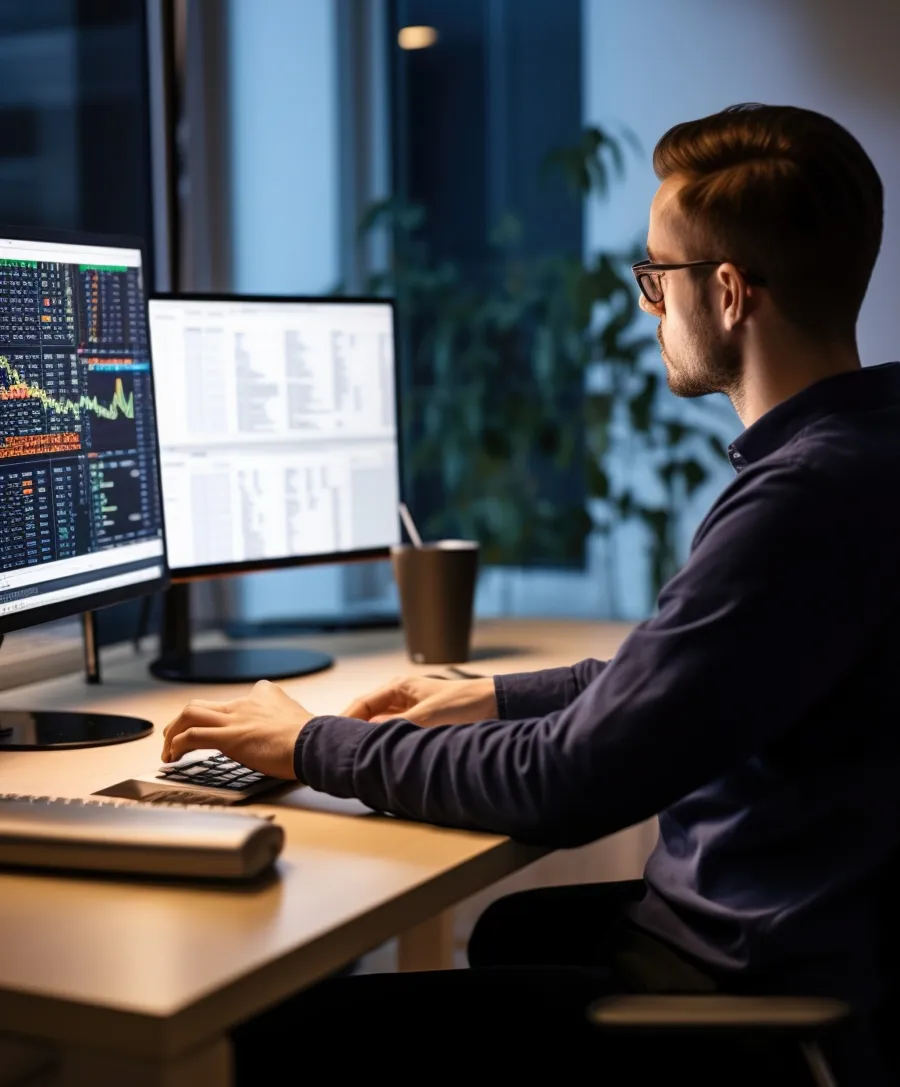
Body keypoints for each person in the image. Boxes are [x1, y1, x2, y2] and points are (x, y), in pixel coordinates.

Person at [163, 103, 897, 1084]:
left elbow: (569, 782)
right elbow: (698, 672)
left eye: (655, 277)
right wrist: (499, 694)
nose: (647, 307)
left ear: (726, 293)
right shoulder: (867, 451)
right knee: (511, 926)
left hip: (755, 993)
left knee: (271, 1037)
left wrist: (307, 745)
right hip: (801, 926)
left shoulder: (801, 500)